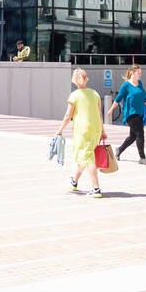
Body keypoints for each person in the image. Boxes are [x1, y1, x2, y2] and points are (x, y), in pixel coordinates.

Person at [56, 68, 104, 197]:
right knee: (84, 154)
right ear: (86, 78)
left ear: (75, 80)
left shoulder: (74, 95)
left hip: (82, 130)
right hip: (95, 129)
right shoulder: (95, 94)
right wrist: (103, 131)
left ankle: (96, 188)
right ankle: (74, 182)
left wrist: (60, 130)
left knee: (88, 157)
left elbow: (68, 116)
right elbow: (100, 114)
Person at [107, 64, 146, 164]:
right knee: (140, 134)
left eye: (140, 73)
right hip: (131, 114)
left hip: (139, 113)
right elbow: (118, 99)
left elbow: (141, 94)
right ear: (132, 73)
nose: (140, 75)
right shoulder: (126, 85)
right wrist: (111, 110)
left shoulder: (139, 82)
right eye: (138, 73)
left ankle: (119, 150)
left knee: (133, 137)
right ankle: (142, 158)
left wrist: (144, 101)